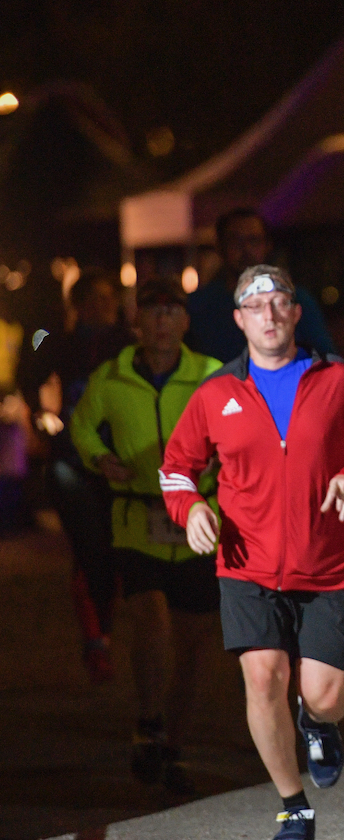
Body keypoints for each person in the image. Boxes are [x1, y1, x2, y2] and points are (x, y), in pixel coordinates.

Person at [161, 265, 344, 840]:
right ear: (238, 319)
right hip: (246, 565)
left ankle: (318, 723)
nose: (268, 313)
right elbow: (176, 471)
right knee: (263, 677)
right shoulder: (217, 393)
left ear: (295, 313)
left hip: (327, 565)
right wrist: (192, 509)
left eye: (279, 302)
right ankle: (294, 805)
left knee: (325, 693)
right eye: (254, 304)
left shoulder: (337, 380)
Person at [70, 276, 222, 794]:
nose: (162, 320)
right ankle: (150, 719)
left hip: (199, 523)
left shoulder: (211, 376)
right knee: (151, 617)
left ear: (185, 321)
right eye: (152, 311)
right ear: (136, 322)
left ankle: (172, 746)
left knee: (195, 643)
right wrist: (100, 458)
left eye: (172, 311)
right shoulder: (110, 377)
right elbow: (83, 425)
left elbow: (246, 428)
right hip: (136, 520)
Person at [18, 269, 133, 681]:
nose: (104, 307)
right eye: (96, 300)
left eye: (109, 299)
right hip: (71, 462)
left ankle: (103, 634)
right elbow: (29, 378)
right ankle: (95, 640)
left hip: (119, 462)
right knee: (89, 548)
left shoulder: (128, 343)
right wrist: (42, 418)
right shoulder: (59, 343)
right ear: (79, 306)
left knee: (114, 552)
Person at [185, 208, 335, 363]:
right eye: (235, 241)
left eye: (254, 240)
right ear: (220, 247)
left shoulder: (295, 299)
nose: (246, 249)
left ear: (267, 245)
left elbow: (327, 360)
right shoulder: (199, 305)